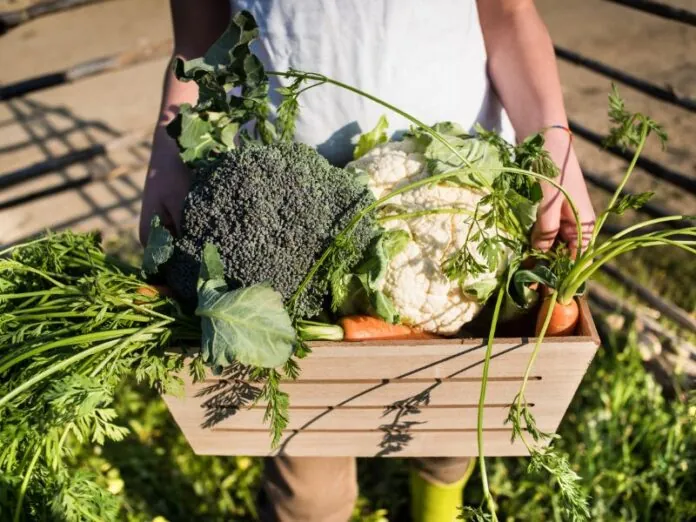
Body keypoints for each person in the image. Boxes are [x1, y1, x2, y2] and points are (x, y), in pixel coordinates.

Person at [139, 1, 596, 521]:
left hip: (465, 196)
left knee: (449, 431)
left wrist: (554, 145)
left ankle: (438, 503)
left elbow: (509, 14)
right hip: (289, 227)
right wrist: (168, 157)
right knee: (307, 491)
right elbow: (199, 32)